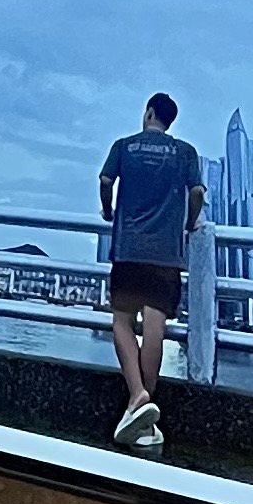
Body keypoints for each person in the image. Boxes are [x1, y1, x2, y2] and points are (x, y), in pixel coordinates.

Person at [98, 92, 205, 453]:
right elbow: (197, 193)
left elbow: (105, 181)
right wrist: (189, 223)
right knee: (155, 327)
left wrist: (108, 211)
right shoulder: (185, 152)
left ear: (148, 113)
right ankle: (145, 413)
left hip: (129, 249)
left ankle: (137, 396)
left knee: (122, 321)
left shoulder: (124, 146)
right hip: (166, 255)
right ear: (169, 120)